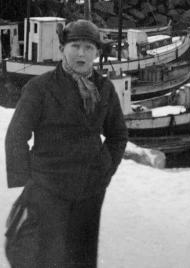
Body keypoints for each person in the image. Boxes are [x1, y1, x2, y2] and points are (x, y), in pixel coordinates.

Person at [6, 19, 129, 267]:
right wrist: (28, 178)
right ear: (62, 49)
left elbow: (117, 134)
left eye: (88, 47)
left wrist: (105, 168)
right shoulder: (40, 87)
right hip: (49, 186)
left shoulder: (104, 88)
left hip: (90, 187)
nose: (81, 53)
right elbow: (16, 135)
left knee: (82, 256)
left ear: (96, 52)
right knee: (45, 256)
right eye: (75, 46)